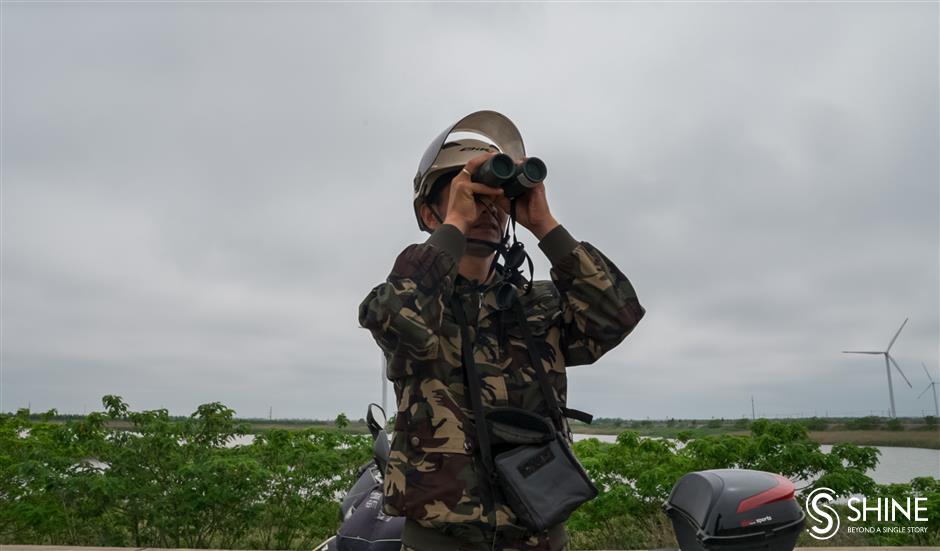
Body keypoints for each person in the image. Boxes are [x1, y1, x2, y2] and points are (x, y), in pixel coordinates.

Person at [358, 111, 645, 551]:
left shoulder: (539, 304)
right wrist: (455, 224)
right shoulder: (417, 300)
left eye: (496, 198)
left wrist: (544, 225)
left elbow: (617, 316)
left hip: (542, 536)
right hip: (443, 542)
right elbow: (398, 320)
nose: (487, 207)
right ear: (428, 212)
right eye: (469, 194)